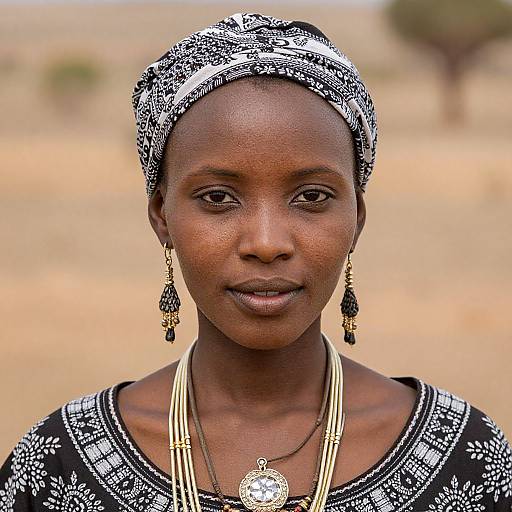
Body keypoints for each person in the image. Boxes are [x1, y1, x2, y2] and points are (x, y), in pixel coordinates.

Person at [1, 12, 511, 512]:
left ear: (357, 216)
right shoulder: (59, 468)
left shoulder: (464, 459)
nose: (266, 243)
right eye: (219, 198)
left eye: (311, 196)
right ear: (162, 215)